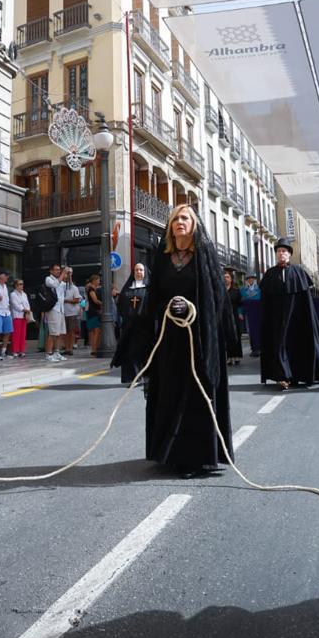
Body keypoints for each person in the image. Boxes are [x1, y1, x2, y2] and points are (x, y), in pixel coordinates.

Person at [122, 204, 234, 478]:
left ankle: (197, 458)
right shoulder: (162, 257)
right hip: (170, 338)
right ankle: (170, 453)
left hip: (199, 337)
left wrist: (191, 307)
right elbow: (155, 297)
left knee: (196, 393)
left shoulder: (204, 255)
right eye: (175, 219)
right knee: (170, 390)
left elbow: (216, 296)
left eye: (184, 218)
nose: (179, 222)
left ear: (194, 225)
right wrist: (168, 308)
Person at [259, 237, 319, 390]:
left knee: (299, 346)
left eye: (284, 251)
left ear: (289, 254)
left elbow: (306, 301)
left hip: (297, 319)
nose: (281, 254)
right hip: (278, 320)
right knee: (279, 346)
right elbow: (266, 301)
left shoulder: (299, 272)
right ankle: (283, 376)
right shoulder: (270, 274)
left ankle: (297, 375)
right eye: (278, 251)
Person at [111, 262, 149, 384]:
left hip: (145, 327)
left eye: (141, 270)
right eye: (136, 270)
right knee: (131, 351)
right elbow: (121, 305)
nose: (139, 272)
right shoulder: (127, 289)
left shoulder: (149, 288)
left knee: (146, 351)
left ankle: (147, 377)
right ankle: (133, 378)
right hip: (129, 327)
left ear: (145, 272)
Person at [43, 264, 67, 362]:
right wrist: (63, 273)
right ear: (51, 271)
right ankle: (48, 353)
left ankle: (57, 352)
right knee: (53, 332)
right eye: (56, 270)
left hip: (61, 309)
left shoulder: (61, 280)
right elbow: (54, 284)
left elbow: (66, 287)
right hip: (53, 309)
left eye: (59, 270)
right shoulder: (48, 279)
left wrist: (68, 276)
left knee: (60, 333)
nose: (58, 271)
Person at [222, 271, 243, 365]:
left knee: (236, 335)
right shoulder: (220, 290)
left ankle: (237, 356)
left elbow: (241, 303)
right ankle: (229, 357)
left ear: (231, 279)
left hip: (234, 315)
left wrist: (240, 313)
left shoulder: (236, 290)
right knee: (227, 336)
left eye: (227, 277)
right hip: (223, 316)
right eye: (224, 277)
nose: (225, 279)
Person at [9, 278, 32, 358]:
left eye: (22, 284)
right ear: (15, 285)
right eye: (20, 284)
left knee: (23, 334)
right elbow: (16, 305)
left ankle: (22, 351)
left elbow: (27, 304)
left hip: (24, 315)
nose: (22, 286)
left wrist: (28, 311)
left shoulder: (24, 294)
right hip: (17, 316)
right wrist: (25, 309)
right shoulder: (13, 294)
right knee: (16, 334)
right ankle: (15, 351)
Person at [240, 273, 262, 356]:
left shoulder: (260, 289)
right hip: (248, 312)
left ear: (254, 279)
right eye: (249, 279)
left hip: (258, 312)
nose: (250, 280)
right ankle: (254, 348)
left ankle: (260, 348)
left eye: (252, 278)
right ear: (246, 280)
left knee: (259, 330)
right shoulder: (242, 290)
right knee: (250, 331)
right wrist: (240, 312)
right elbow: (241, 303)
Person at [61, 267, 82, 354]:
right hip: (63, 312)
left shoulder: (74, 288)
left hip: (72, 312)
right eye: (67, 274)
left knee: (71, 331)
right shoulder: (61, 286)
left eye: (70, 274)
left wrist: (66, 300)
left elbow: (77, 300)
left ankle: (70, 348)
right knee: (64, 332)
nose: (68, 276)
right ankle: (66, 348)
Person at [85, 273, 103, 355]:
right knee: (96, 330)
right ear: (94, 280)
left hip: (94, 311)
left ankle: (95, 348)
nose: (99, 282)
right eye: (98, 280)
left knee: (95, 331)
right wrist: (103, 303)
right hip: (93, 312)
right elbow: (95, 300)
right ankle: (94, 349)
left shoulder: (93, 288)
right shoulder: (91, 289)